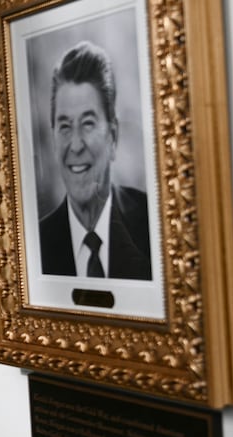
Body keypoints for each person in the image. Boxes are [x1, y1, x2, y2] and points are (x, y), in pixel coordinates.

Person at [39, 41, 151, 280]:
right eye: (65, 126)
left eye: (88, 123)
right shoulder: (35, 246)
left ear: (113, 136)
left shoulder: (154, 226)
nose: (76, 145)